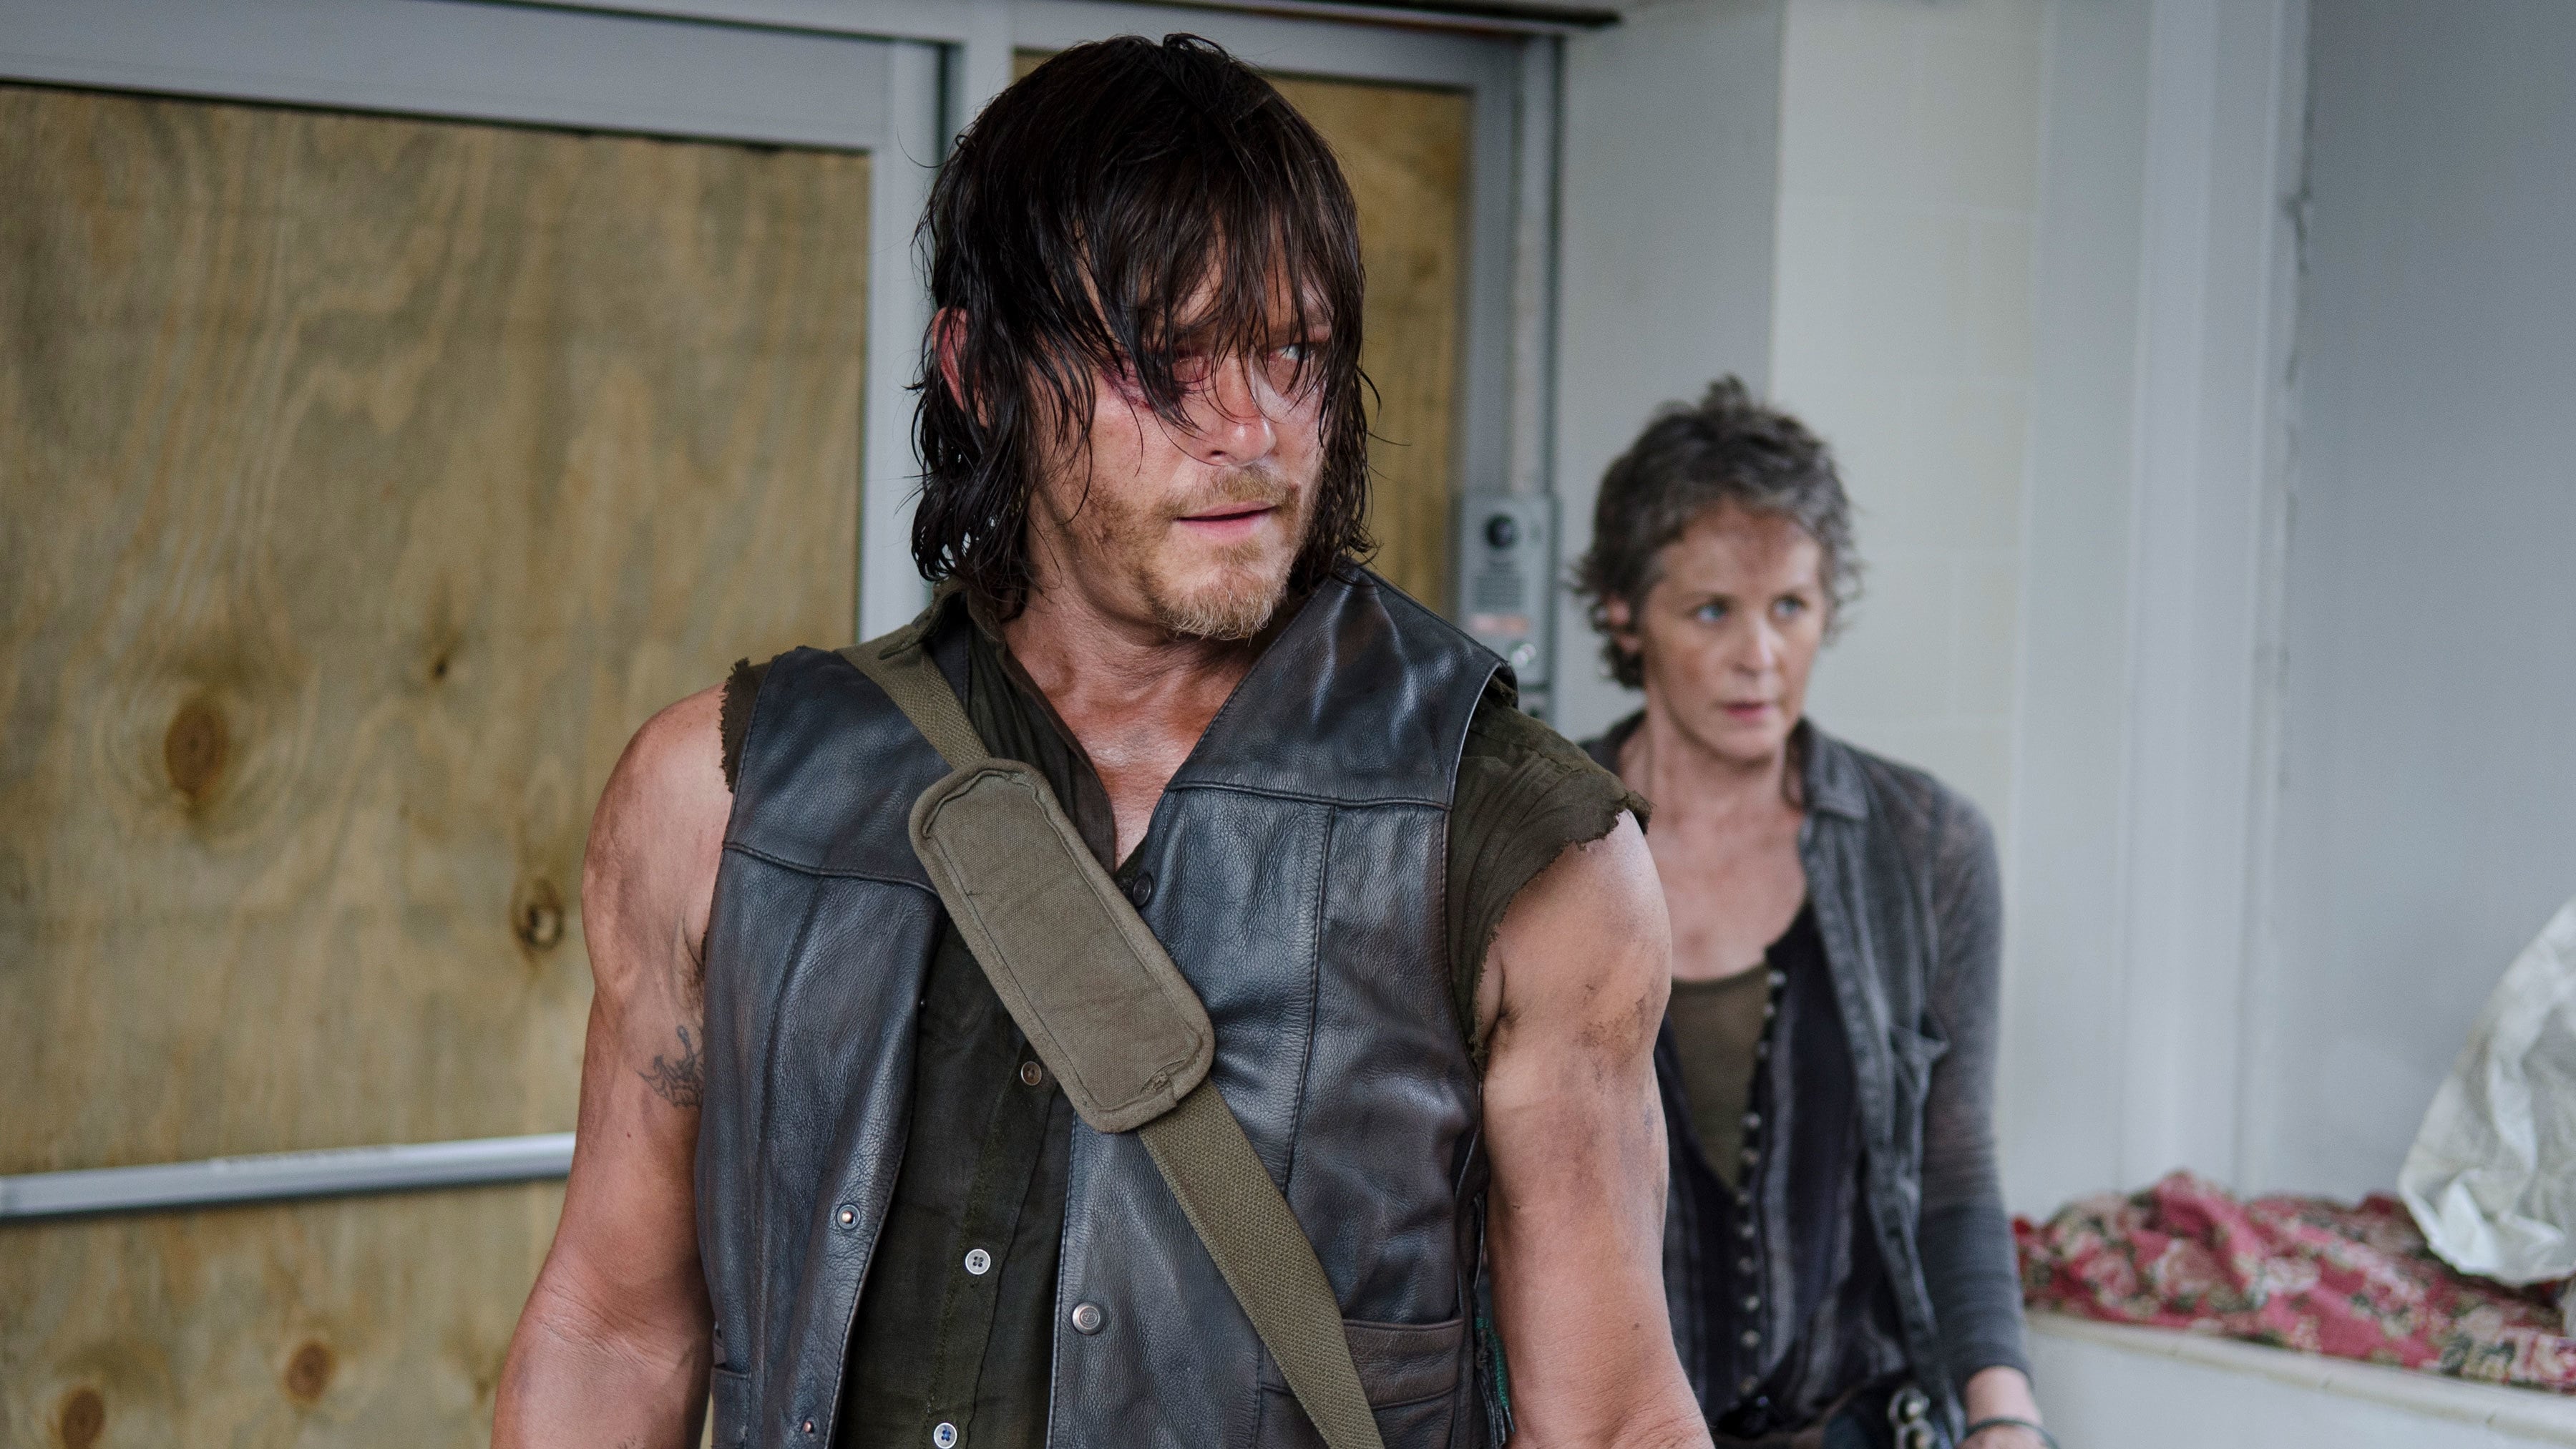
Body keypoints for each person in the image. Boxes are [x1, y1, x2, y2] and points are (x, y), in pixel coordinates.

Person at [494, 35, 1710, 1449]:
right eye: (1165, 359)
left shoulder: (1529, 855)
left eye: (1293, 352)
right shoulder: (718, 800)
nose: (1252, 430)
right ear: (980, 371)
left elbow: (1615, 1421)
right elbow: (614, 1329)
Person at [1574, 381, 2050, 1449]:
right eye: (1713, 610)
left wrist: (2005, 1415)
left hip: (1859, 1421)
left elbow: (1955, 1173)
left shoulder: (1926, 846)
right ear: (1625, 614)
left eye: (1790, 606)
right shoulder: (1540, 842)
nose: (1761, 656)